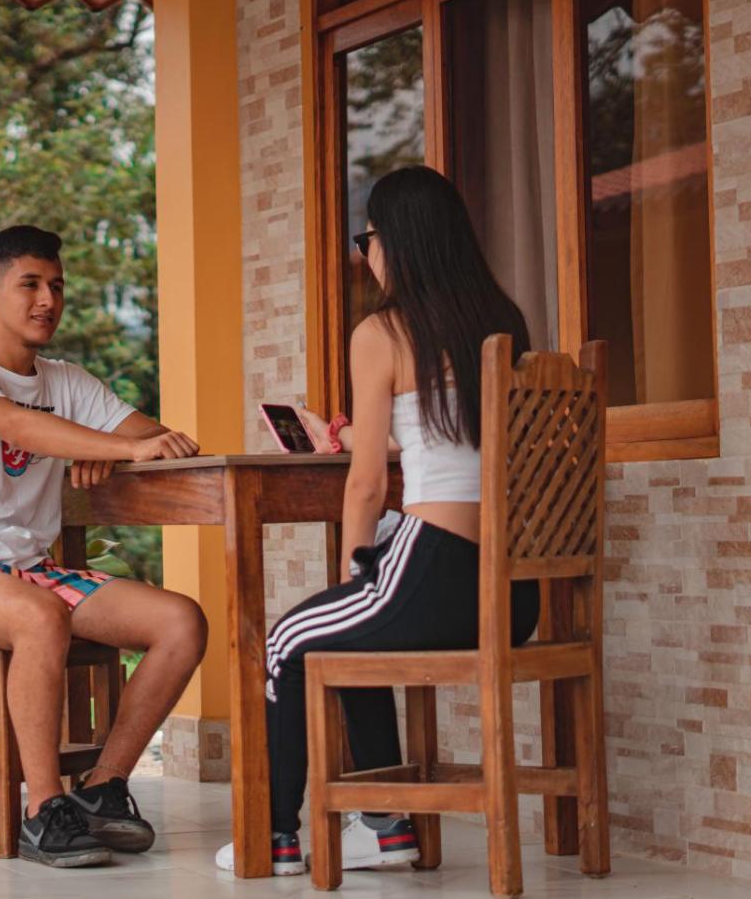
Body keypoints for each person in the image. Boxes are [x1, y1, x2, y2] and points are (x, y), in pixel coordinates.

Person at [216, 166, 541, 875]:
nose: (366, 255)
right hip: (515, 595)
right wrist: (371, 437)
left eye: (367, 240)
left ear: (395, 242)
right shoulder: (503, 322)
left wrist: (352, 572)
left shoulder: (383, 332)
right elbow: (464, 438)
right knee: (341, 631)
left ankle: (274, 839)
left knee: (289, 639)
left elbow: (365, 486)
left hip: (435, 569)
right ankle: (387, 828)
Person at [0, 225, 209, 869]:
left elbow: (159, 437)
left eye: (56, 287)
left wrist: (117, 447)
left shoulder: (67, 381)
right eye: (29, 285)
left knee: (181, 621)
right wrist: (112, 447)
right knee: (39, 616)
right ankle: (43, 810)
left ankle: (103, 788)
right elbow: (15, 423)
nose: (47, 300)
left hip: (28, 572)